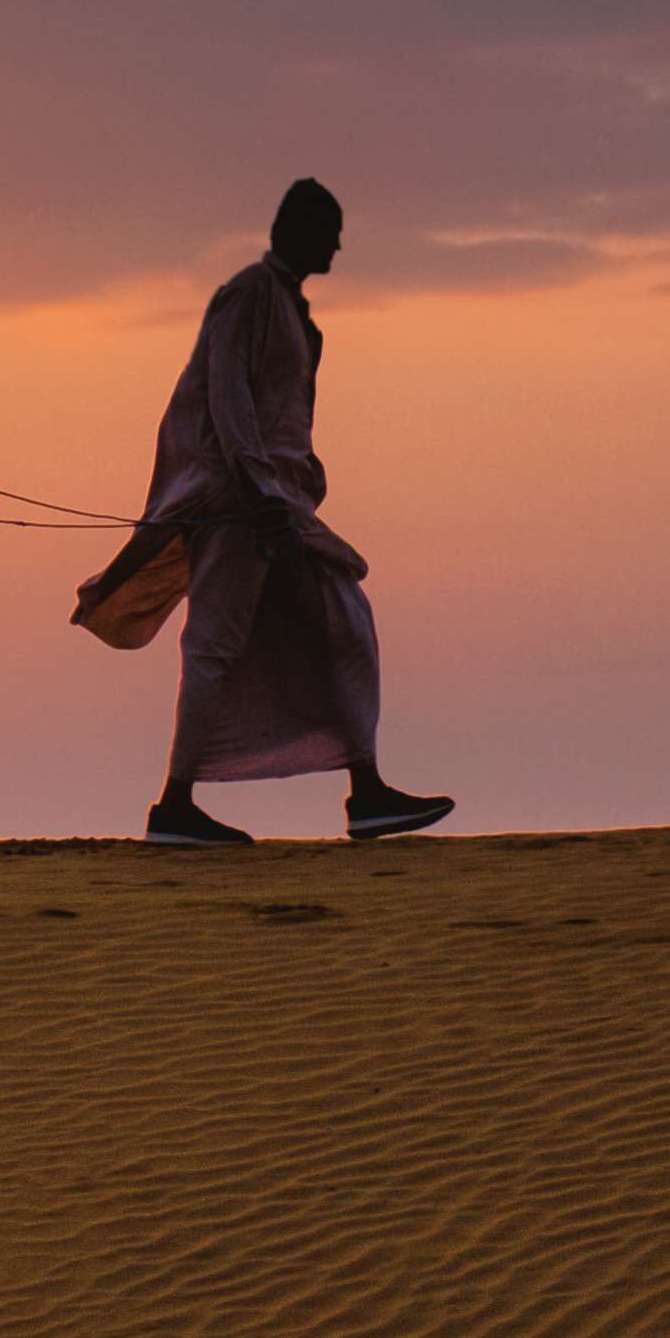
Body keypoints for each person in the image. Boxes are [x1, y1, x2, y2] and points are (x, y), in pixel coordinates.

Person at [69, 181, 452, 848]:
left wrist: (290, 488)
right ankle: (175, 808)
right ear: (297, 229)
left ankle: (365, 793)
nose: (336, 244)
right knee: (217, 643)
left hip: (277, 500)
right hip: (243, 504)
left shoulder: (291, 311)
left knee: (340, 623)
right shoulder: (249, 294)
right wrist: (257, 489)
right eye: (328, 229)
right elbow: (226, 396)